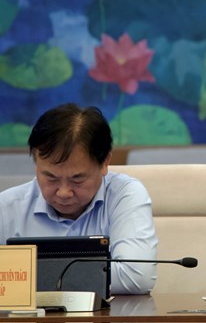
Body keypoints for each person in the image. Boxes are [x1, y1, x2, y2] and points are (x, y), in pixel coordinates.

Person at [0, 103, 158, 295]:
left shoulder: (124, 195)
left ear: (105, 163)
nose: (64, 192)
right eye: (51, 178)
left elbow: (137, 276)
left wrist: (25, 277)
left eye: (77, 179)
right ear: (36, 162)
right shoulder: (7, 208)